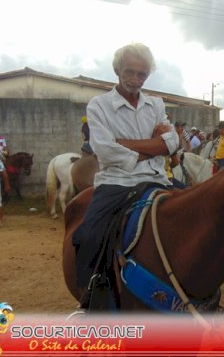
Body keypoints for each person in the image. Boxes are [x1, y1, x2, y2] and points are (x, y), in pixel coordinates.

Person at [72, 43, 179, 293]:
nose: (135, 79)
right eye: (129, 72)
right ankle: (90, 296)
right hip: (116, 182)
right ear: (117, 70)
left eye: (141, 74)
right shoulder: (99, 105)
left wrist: (124, 144)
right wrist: (154, 145)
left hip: (157, 180)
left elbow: (173, 143)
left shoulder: (156, 105)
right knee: (88, 237)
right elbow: (106, 151)